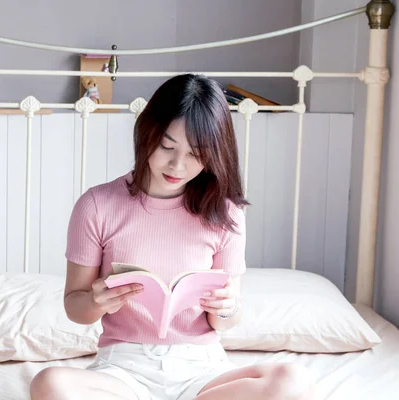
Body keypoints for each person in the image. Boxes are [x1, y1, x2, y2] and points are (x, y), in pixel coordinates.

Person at [30, 74, 315, 400]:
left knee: (294, 381)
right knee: (50, 384)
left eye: (196, 154)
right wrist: (95, 301)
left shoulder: (226, 213)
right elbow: (74, 306)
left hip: (203, 372)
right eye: (167, 146)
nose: (177, 165)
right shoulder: (97, 205)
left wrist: (226, 306)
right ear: (147, 132)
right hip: (123, 371)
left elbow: (226, 321)